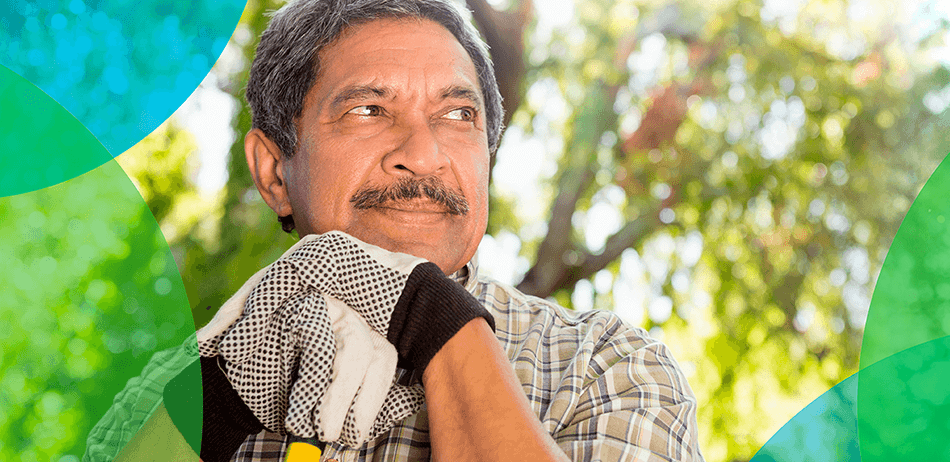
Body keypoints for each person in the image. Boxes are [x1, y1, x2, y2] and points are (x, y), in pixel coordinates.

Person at [82, 0, 703, 460]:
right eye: (368, 110)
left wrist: (432, 316)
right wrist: (213, 405)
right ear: (274, 172)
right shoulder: (163, 395)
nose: (424, 152)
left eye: (458, 114)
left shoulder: (605, 368)